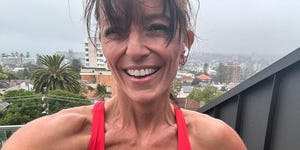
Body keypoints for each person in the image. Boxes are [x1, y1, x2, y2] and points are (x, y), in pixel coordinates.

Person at [2, 0, 246, 149]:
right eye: (116, 31)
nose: (136, 50)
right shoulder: (47, 141)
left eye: (156, 28)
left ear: (185, 44)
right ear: (103, 46)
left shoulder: (217, 143)